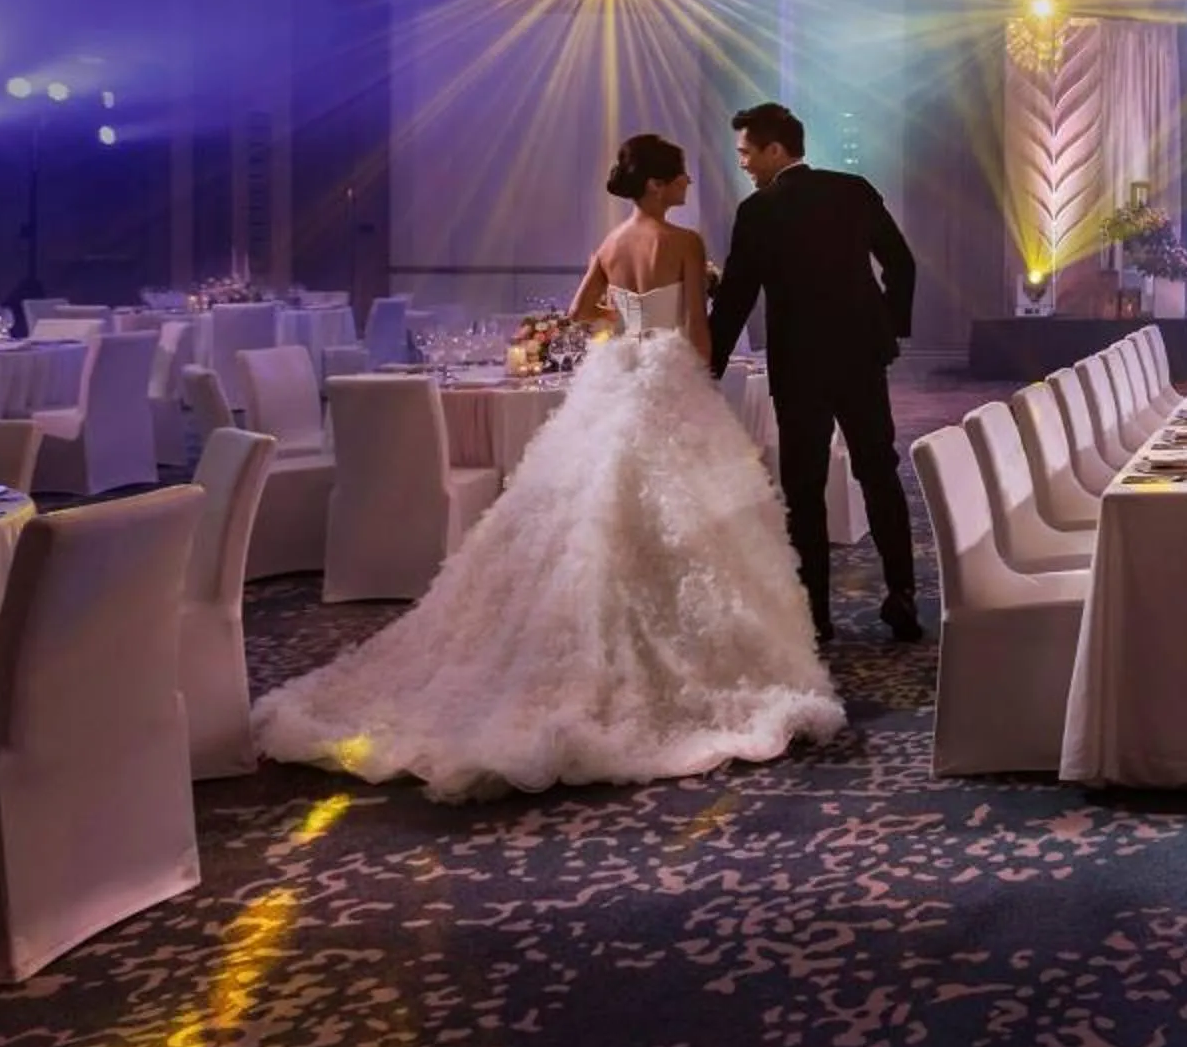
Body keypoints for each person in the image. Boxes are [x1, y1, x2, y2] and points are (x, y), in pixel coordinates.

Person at [252, 133, 842, 800]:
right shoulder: (684, 243)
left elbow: (576, 313)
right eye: (677, 178)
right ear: (655, 186)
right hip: (667, 374)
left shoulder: (612, 245)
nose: (684, 186)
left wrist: (627, 320)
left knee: (594, 499)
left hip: (618, 370)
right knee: (678, 508)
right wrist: (697, 372)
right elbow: (700, 333)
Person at [707, 100, 922, 643]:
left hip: (797, 363)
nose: (745, 165)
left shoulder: (758, 213)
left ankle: (817, 615)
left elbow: (735, 298)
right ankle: (903, 596)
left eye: (747, 153)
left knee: (805, 487)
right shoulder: (853, 190)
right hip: (860, 357)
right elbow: (901, 263)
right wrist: (888, 330)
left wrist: (706, 367)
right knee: (878, 470)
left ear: (775, 150)